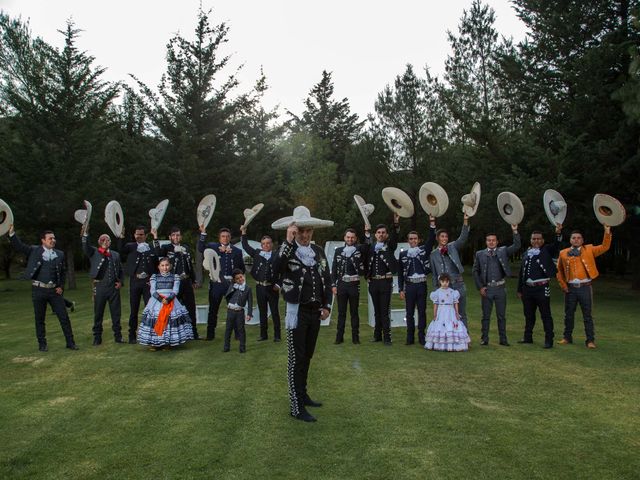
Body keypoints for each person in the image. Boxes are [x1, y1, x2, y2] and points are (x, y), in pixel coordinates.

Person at [273, 210, 333, 423]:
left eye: (308, 231)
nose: (305, 235)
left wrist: (327, 305)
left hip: (314, 312)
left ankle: (303, 394)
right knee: (295, 360)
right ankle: (296, 406)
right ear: (294, 231)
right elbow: (275, 271)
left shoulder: (317, 251)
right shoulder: (286, 250)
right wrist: (288, 242)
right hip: (296, 312)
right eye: (301, 231)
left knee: (307, 356)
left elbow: (327, 277)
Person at [8, 224, 78, 351]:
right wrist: (12, 234)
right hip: (38, 290)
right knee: (39, 319)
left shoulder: (60, 254)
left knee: (64, 317)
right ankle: (42, 344)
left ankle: (70, 343)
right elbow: (20, 246)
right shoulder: (35, 250)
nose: (53, 240)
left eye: (54, 238)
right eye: (50, 238)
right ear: (43, 240)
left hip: (54, 291)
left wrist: (61, 286)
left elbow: (63, 272)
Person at [556, 225, 611, 349]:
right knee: (568, 314)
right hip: (570, 288)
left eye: (578, 238)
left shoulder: (589, 250)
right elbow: (558, 271)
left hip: (585, 287)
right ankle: (567, 337)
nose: (576, 240)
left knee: (587, 315)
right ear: (570, 240)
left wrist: (607, 232)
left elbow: (605, 246)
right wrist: (563, 286)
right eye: (574, 238)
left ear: (582, 240)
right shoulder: (563, 253)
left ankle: (590, 340)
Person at [472, 225, 521, 346]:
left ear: (497, 241)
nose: (491, 242)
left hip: (500, 288)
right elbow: (475, 271)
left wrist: (515, 231)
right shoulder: (480, 254)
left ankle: (503, 339)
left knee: (501, 316)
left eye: (493, 240)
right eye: (489, 240)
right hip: (487, 288)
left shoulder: (503, 251)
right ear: (486, 242)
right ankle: (484, 339)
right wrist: (480, 287)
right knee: (486, 316)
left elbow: (517, 246)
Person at [516, 224, 563, 348]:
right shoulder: (527, 253)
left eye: (538, 239)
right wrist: (520, 289)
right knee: (528, 314)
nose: (536, 241)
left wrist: (558, 233)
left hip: (541, 288)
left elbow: (557, 245)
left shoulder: (547, 250)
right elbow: (522, 272)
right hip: (527, 289)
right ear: (531, 240)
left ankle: (549, 340)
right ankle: (528, 337)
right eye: (533, 239)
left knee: (545, 314)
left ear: (542, 240)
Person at [197, 226, 246, 341]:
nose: (225, 238)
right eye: (223, 236)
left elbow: (242, 269)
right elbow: (200, 248)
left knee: (235, 309)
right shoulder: (213, 247)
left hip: (231, 284)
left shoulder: (237, 251)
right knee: (213, 309)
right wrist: (203, 233)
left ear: (230, 238)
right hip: (217, 283)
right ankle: (210, 335)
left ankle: (237, 334)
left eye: (227, 236)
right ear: (219, 238)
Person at [152, 226, 201, 340]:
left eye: (178, 235)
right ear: (170, 237)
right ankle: (172, 335)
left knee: (190, 307)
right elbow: (157, 253)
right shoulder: (166, 248)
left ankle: (193, 333)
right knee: (173, 309)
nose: (176, 237)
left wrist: (193, 280)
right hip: (174, 283)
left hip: (186, 281)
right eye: (173, 235)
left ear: (181, 236)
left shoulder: (186, 247)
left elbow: (189, 265)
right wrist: (155, 237)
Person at [137, 257, 194, 349]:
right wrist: (161, 299)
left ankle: (168, 342)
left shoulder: (175, 277)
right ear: (158, 267)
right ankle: (155, 343)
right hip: (156, 302)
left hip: (170, 300)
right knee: (156, 320)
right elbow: (152, 291)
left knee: (169, 321)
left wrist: (168, 299)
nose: (165, 268)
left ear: (170, 266)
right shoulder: (154, 277)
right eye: (162, 265)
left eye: (167, 265)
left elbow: (175, 291)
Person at [81, 227, 124, 345]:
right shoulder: (94, 252)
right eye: (102, 239)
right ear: (99, 242)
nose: (105, 241)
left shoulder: (115, 254)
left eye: (107, 239)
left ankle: (118, 336)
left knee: (116, 313)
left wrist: (120, 282)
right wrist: (85, 234)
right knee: (98, 313)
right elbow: (85, 246)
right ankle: (97, 337)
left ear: (110, 242)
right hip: (99, 287)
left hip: (113, 288)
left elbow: (120, 269)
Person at [398, 218, 436, 345]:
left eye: (415, 238)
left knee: (421, 311)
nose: (413, 241)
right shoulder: (403, 255)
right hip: (409, 285)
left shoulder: (423, 250)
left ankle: (421, 336)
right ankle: (410, 337)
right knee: (409, 312)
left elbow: (431, 240)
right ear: (408, 241)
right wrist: (400, 289)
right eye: (411, 239)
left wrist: (432, 224)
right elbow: (400, 273)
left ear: (418, 240)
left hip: (421, 285)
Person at [240, 225, 281, 342]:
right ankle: (263, 335)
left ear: (271, 244)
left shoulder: (276, 255)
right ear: (261, 245)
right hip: (260, 287)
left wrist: (279, 284)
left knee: (274, 312)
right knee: (262, 312)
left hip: (272, 287)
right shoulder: (257, 253)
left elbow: (282, 272)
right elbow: (245, 246)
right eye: (264, 243)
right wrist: (243, 233)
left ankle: (277, 335)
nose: (266, 245)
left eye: (268, 243)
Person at [117, 225, 157, 344]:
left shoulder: (150, 247)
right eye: (137, 234)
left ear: (145, 235)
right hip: (135, 281)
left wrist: (152, 277)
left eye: (141, 234)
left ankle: (150, 333)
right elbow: (120, 250)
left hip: (147, 283)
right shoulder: (131, 246)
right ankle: (132, 335)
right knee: (133, 309)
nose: (138, 236)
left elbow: (156, 261)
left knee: (149, 309)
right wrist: (120, 237)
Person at [429, 213, 470, 327]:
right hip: (443, 287)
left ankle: (464, 337)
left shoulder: (453, 247)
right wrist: (436, 290)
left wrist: (465, 221)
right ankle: (448, 338)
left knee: (461, 313)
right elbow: (434, 274)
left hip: (458, 284)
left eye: (446, 237)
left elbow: (463, 238)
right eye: (442, 236)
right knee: (446, 314)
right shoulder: (433, 255)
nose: (444, 239)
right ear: (437, 238)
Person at [365, 213, 400, 346]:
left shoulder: (389, 246)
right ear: (375, 234)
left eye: (383, 232)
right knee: (377, 311)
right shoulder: (372, 247)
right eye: (378, 232)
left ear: (386, 235)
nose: (380, 234)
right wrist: (366, 232)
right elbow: (365, 246)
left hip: (385, 282)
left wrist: (396, 223)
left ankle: (387, 337)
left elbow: (395, 238)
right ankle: (377, 335)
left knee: (385, 310)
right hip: (373, 282)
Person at [331, 228, 368, 345]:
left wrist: (367, 233)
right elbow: (334, 269)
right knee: (341, 312)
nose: (350, 239)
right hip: (341, 284)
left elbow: (367, 246)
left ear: (355, 238)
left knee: (354, 312)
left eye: (352, 237)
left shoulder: (359, 249)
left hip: (354, 284)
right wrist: (333, 285)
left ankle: (355, 337)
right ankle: (339, 337)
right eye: (348, 237)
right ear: (344, 238)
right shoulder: (339, 251)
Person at [425, 273, 471, 351]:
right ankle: (440, 344)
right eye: (443, 282)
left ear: (449, 282)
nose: (445, 283)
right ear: (440, 282)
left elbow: (455, 303)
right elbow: (435, 304)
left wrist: (456, 313)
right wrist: (435, 314)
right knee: (441, 326)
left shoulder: (453, 292)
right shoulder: (437, 293)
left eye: (447, 282)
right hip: (441, 312)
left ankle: (454, 345)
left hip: (450, 312)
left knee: (451, 326)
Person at [223, 269, 253, 353]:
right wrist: (229, 303)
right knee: (228, 329)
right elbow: (227, 295)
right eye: (237, 278)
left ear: (243, 276)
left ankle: (242, 347)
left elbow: (250, 302)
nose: (240, 279)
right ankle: (226, 347)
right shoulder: (232, 286)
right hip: (230, 310)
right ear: (234, 280)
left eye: (241, 277)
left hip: (239, 311)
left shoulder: (247, 288)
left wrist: (249, 314)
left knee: (241, 330)